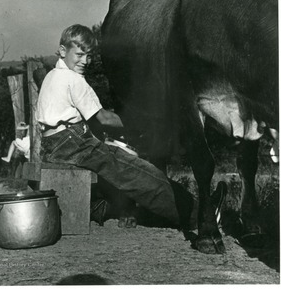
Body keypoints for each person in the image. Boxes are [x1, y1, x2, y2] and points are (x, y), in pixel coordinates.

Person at [36, 24, 227, 231]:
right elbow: (103, 118)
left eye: (89, 56)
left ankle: (103, 208)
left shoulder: (52, 75)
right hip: (73, 143)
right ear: (63, 51)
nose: (85, 61)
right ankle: (198, 214)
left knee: (116, 162)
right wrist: (138, 125)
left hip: (51, 145)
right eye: (80, 54)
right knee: (136, 171)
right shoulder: (74, 79)